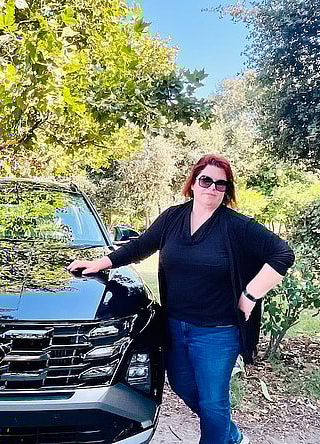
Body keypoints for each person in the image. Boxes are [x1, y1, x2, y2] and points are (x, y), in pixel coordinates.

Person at [68, 154, 295, 444]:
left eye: (221, 184)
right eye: (206, 180)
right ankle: (231, 436)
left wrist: (251, 294)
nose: (212, 188)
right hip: (176, 326)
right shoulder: (173, 217)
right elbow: (140, 247)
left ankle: (219, 437)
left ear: (228, 190)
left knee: (213, 402)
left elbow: (283, 254)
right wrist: (100, 264)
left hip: (217, 331)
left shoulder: (236, 226)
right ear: (193, 182)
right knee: (181, 384)